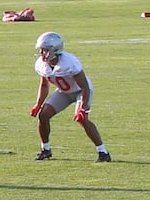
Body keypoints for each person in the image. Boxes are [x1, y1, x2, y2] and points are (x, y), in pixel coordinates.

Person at [31, 32, 109, 162]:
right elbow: (44, 86)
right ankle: (46, 150)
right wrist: (38, 104)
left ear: (54, 50)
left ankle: (103, 152)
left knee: (82, 120)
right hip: (63, 92)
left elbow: (84, 87)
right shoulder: (41, 64)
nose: (41, 52)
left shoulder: (69, 62)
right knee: (43, 115)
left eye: (44, 50)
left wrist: (82, 109)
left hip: (80, 91)